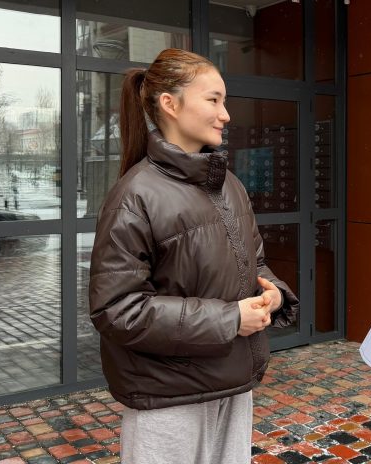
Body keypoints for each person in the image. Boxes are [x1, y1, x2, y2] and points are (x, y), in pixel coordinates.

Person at [89, 48, 299, 464]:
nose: (226, 115)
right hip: (169, 397)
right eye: (213, 100)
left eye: (225, 101)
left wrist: (274, 294)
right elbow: (116, 310)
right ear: (170, 104)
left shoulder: (230, 185)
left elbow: (255, 264)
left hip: (232, 386)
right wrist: (230, 319)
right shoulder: (135, 195)